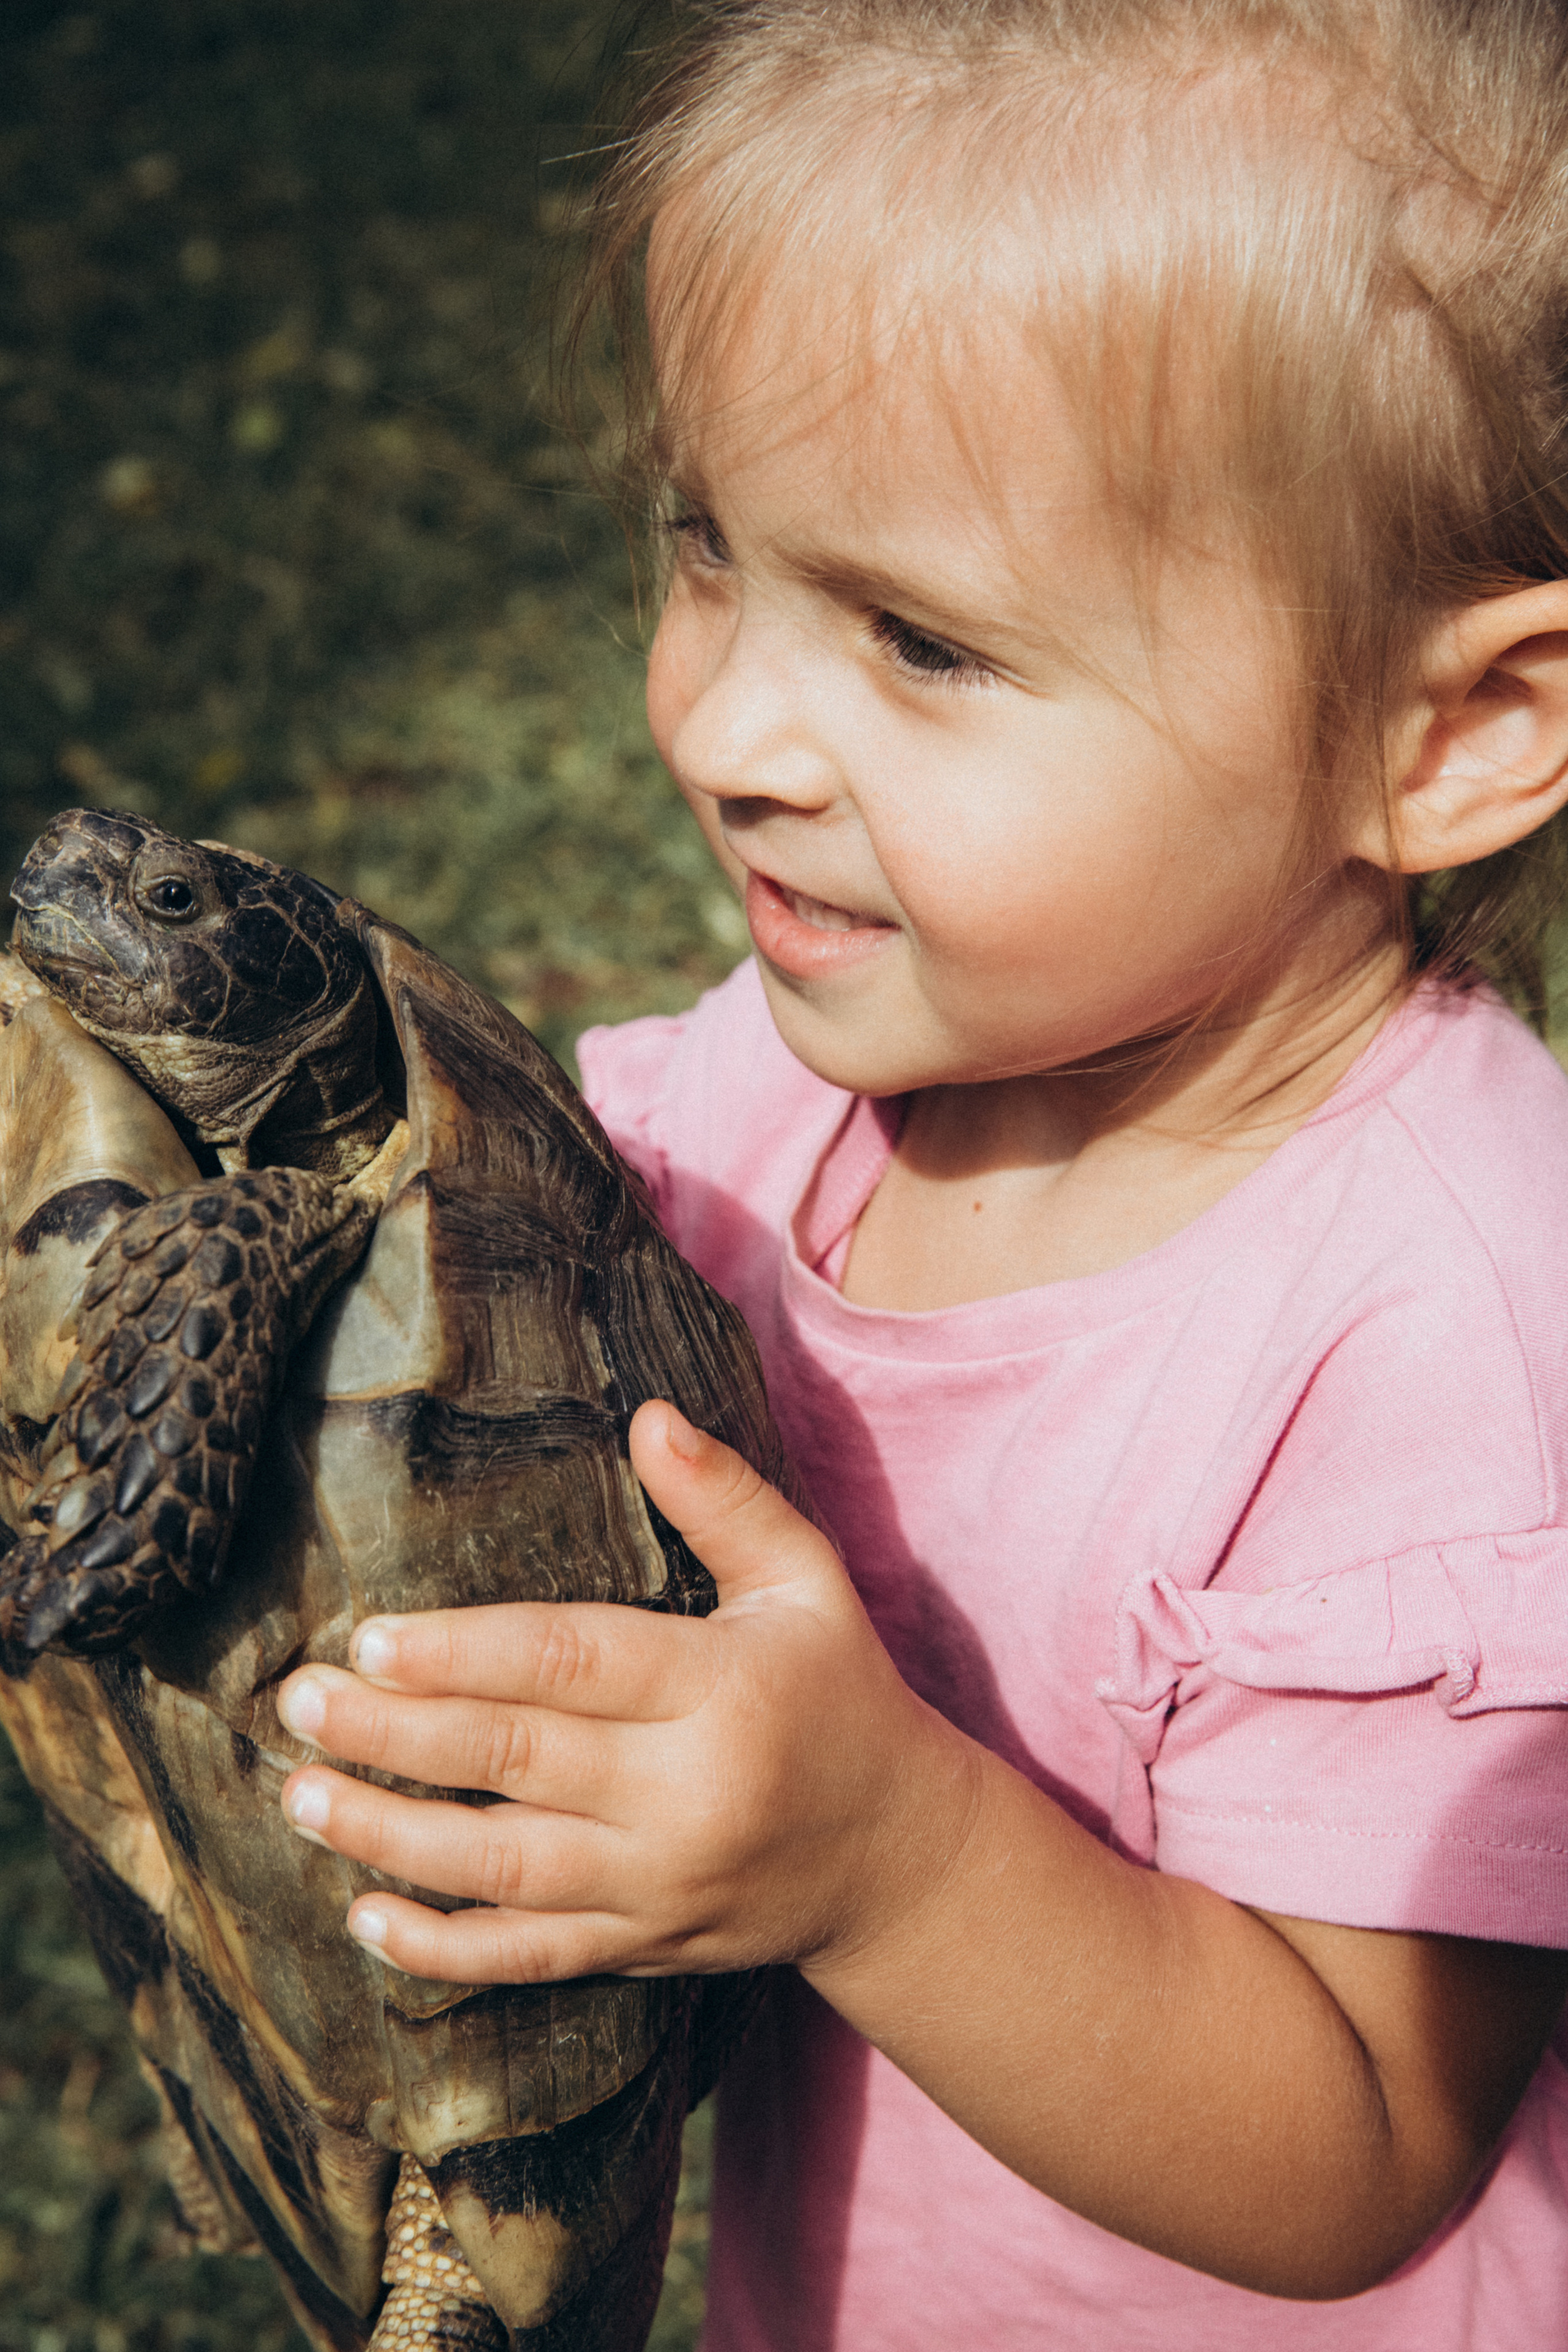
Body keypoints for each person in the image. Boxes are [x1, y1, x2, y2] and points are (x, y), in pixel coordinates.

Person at [272, 3, 1568, 2342]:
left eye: (924, 642)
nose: (728, 728)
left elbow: (1364, 2153)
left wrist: (883, 1853)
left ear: (1452, 732)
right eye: (707, 550)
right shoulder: (751, 1113)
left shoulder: (1447, 1336)